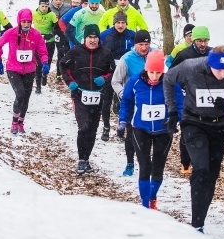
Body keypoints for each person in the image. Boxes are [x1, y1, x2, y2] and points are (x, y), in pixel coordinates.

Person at [164, 47, 224, 233]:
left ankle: (200, 218)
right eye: (218, 69)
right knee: (201, 169)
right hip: (194, 122)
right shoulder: (191, 67)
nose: (222, 73)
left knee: (211, 174)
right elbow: (168, 79)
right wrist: (172, 110)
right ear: (209, 64)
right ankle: (197, 223)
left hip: (220, 127)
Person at [59, 24, 116, 174]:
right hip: (79, 95)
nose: (92, 40)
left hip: (98, 96)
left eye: (95, 37)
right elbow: (63, 65)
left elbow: (112, 71)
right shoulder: (76, 51)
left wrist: (104, 79)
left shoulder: (106, 53)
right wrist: (70, 82)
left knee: (92, 129)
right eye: (90, 37)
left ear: (99, 38)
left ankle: (86, 159)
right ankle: (81, 160)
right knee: (83, 127)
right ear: (85, 39)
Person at [119, 49, 171, 209]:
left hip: (164, 130)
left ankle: (152, 196)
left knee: (158, 167)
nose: (154, 76)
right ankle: (144, 205)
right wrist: (122, 121)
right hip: (140, 128)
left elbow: (180, 102)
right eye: (151, 72)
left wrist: (176, 117)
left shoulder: (169, 82)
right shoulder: (135, 81)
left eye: (158, 73)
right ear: (146, 69)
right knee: (145, 166)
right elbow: (126, 101)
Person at [0, 9, 49, 133]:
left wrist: (45, 62)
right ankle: (14, 121)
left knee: (26, 97)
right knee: (20, 94)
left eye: (28, 22)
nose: (26, 24)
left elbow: (42, 50)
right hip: (13, 69)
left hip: (30, 70)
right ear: (19, 21)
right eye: (23, 22)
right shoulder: (11, 33)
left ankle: (21, 121)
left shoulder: (36, 35)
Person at [170, 26, 212, 176]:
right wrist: (183, 86)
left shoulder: (212, 53)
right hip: (188, 98)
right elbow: (171, 75)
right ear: (193, 40)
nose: (203, 44)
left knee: (207, 130)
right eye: (200, 40)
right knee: (188, 130)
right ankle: (185, 162)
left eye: (205, 40)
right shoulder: (184, 55)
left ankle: (202, 161)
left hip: (208, 98)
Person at [99, 13, 137, 142]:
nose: (120, 25)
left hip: (126, 71)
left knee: (124, 99)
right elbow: (99, 52)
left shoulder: (132, 35)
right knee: (106, 100)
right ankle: (106, 127)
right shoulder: (105, 35)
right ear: (113, 23)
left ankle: (122, 129)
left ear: (126, 23)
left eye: (123, 23)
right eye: (118, 23)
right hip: (109, 70)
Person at [32, 0, 59, 93]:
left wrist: (51, 34)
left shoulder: (52, 15)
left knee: (47, 61)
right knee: (38, 63)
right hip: (37, 42)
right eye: (42, 6)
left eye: (46, 6)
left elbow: (58, 28)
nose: (44, 8)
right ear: (39, 5)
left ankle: (45, 75)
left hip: (49, 41)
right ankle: (38, 86)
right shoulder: (33, 13)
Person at [51, 0, 75, 81]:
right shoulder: (49, 8)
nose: (58, 1)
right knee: (60, 52)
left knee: (68, 52)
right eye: (56, 0)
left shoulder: (68, 7)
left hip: (66, 32)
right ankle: (58, 74)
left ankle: (68, 72)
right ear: (52, 0)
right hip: (55, 32)